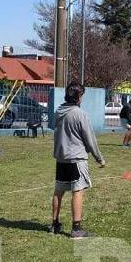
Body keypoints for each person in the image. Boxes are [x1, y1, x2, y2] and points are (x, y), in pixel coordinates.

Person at [51, 82, 106, 238]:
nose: (82, 99)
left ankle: (54, 224)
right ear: (77, 96)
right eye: (81, 95)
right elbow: (90, 139)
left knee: (59, 191)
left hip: (61, 159)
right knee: (78, 191)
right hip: (76, 158)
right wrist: (99, 158)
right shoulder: (79, 114)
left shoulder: (59, 111)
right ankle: (76, 229)